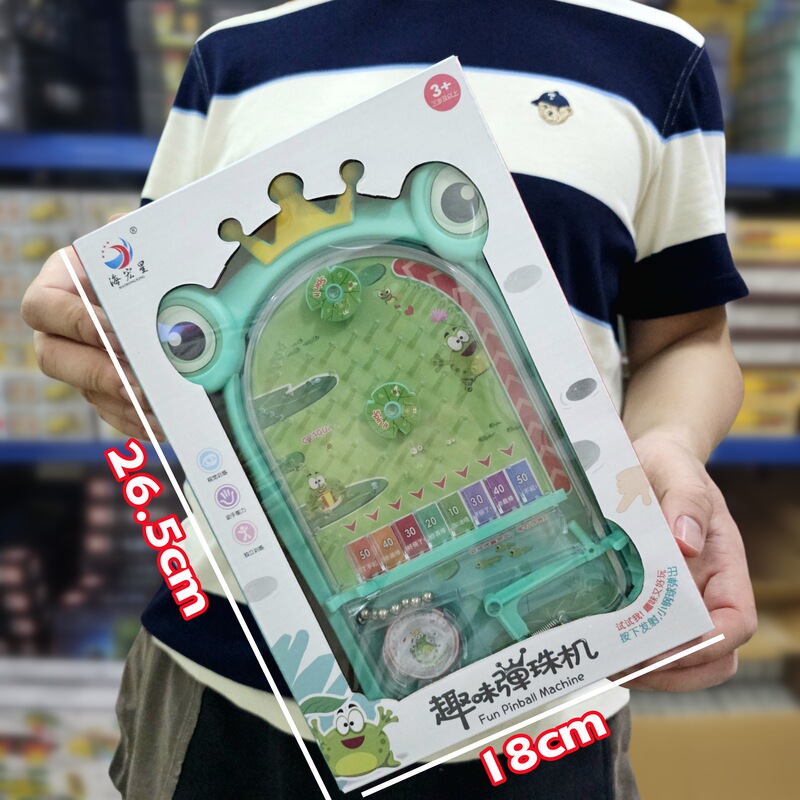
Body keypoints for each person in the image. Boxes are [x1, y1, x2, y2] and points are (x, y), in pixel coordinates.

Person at [21, 1, 757, 798]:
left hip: (546, 670)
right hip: (224, 672)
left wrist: (669, 446)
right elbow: (155, 318)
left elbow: (688, 336)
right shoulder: (232, 58)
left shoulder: (655, 56)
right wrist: (105, 347)